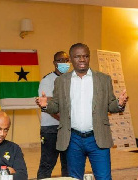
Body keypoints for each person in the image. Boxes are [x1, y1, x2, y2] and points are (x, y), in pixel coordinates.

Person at [36, 43, 128, 180]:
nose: (82, 60)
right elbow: (56, 106)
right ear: (72, 59)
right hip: (73, 139)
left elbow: (111, 105)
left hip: (98, 139)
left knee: (104, 177)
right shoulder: (62, 81)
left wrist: (119, 104)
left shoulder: (103, 79)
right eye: (77, 57)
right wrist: (46, 105)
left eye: (85, 56)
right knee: (73, 178)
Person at [37, 51, 70, 179]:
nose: (64, 63)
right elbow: (49, 106)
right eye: (60, 60)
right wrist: (64, 119)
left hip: (68, 128)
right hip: (51, 129)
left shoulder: (72, 78)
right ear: (54, 63)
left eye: (66, 60)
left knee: (68, 164)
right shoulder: (47, 80)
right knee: (47, 163)